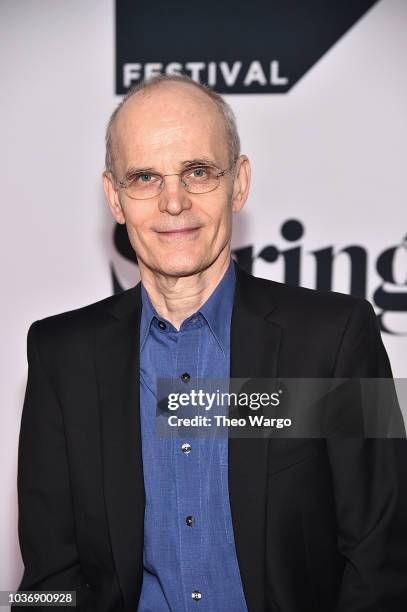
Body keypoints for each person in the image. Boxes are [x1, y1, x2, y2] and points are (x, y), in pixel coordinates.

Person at [15, 74, 407, 612]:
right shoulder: (61, 355)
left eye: (197, 171)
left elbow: (382, 559)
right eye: (145, 177)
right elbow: (48, 584)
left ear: (238, 182)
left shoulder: (336, 339)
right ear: (115, 196)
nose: (173, 202)